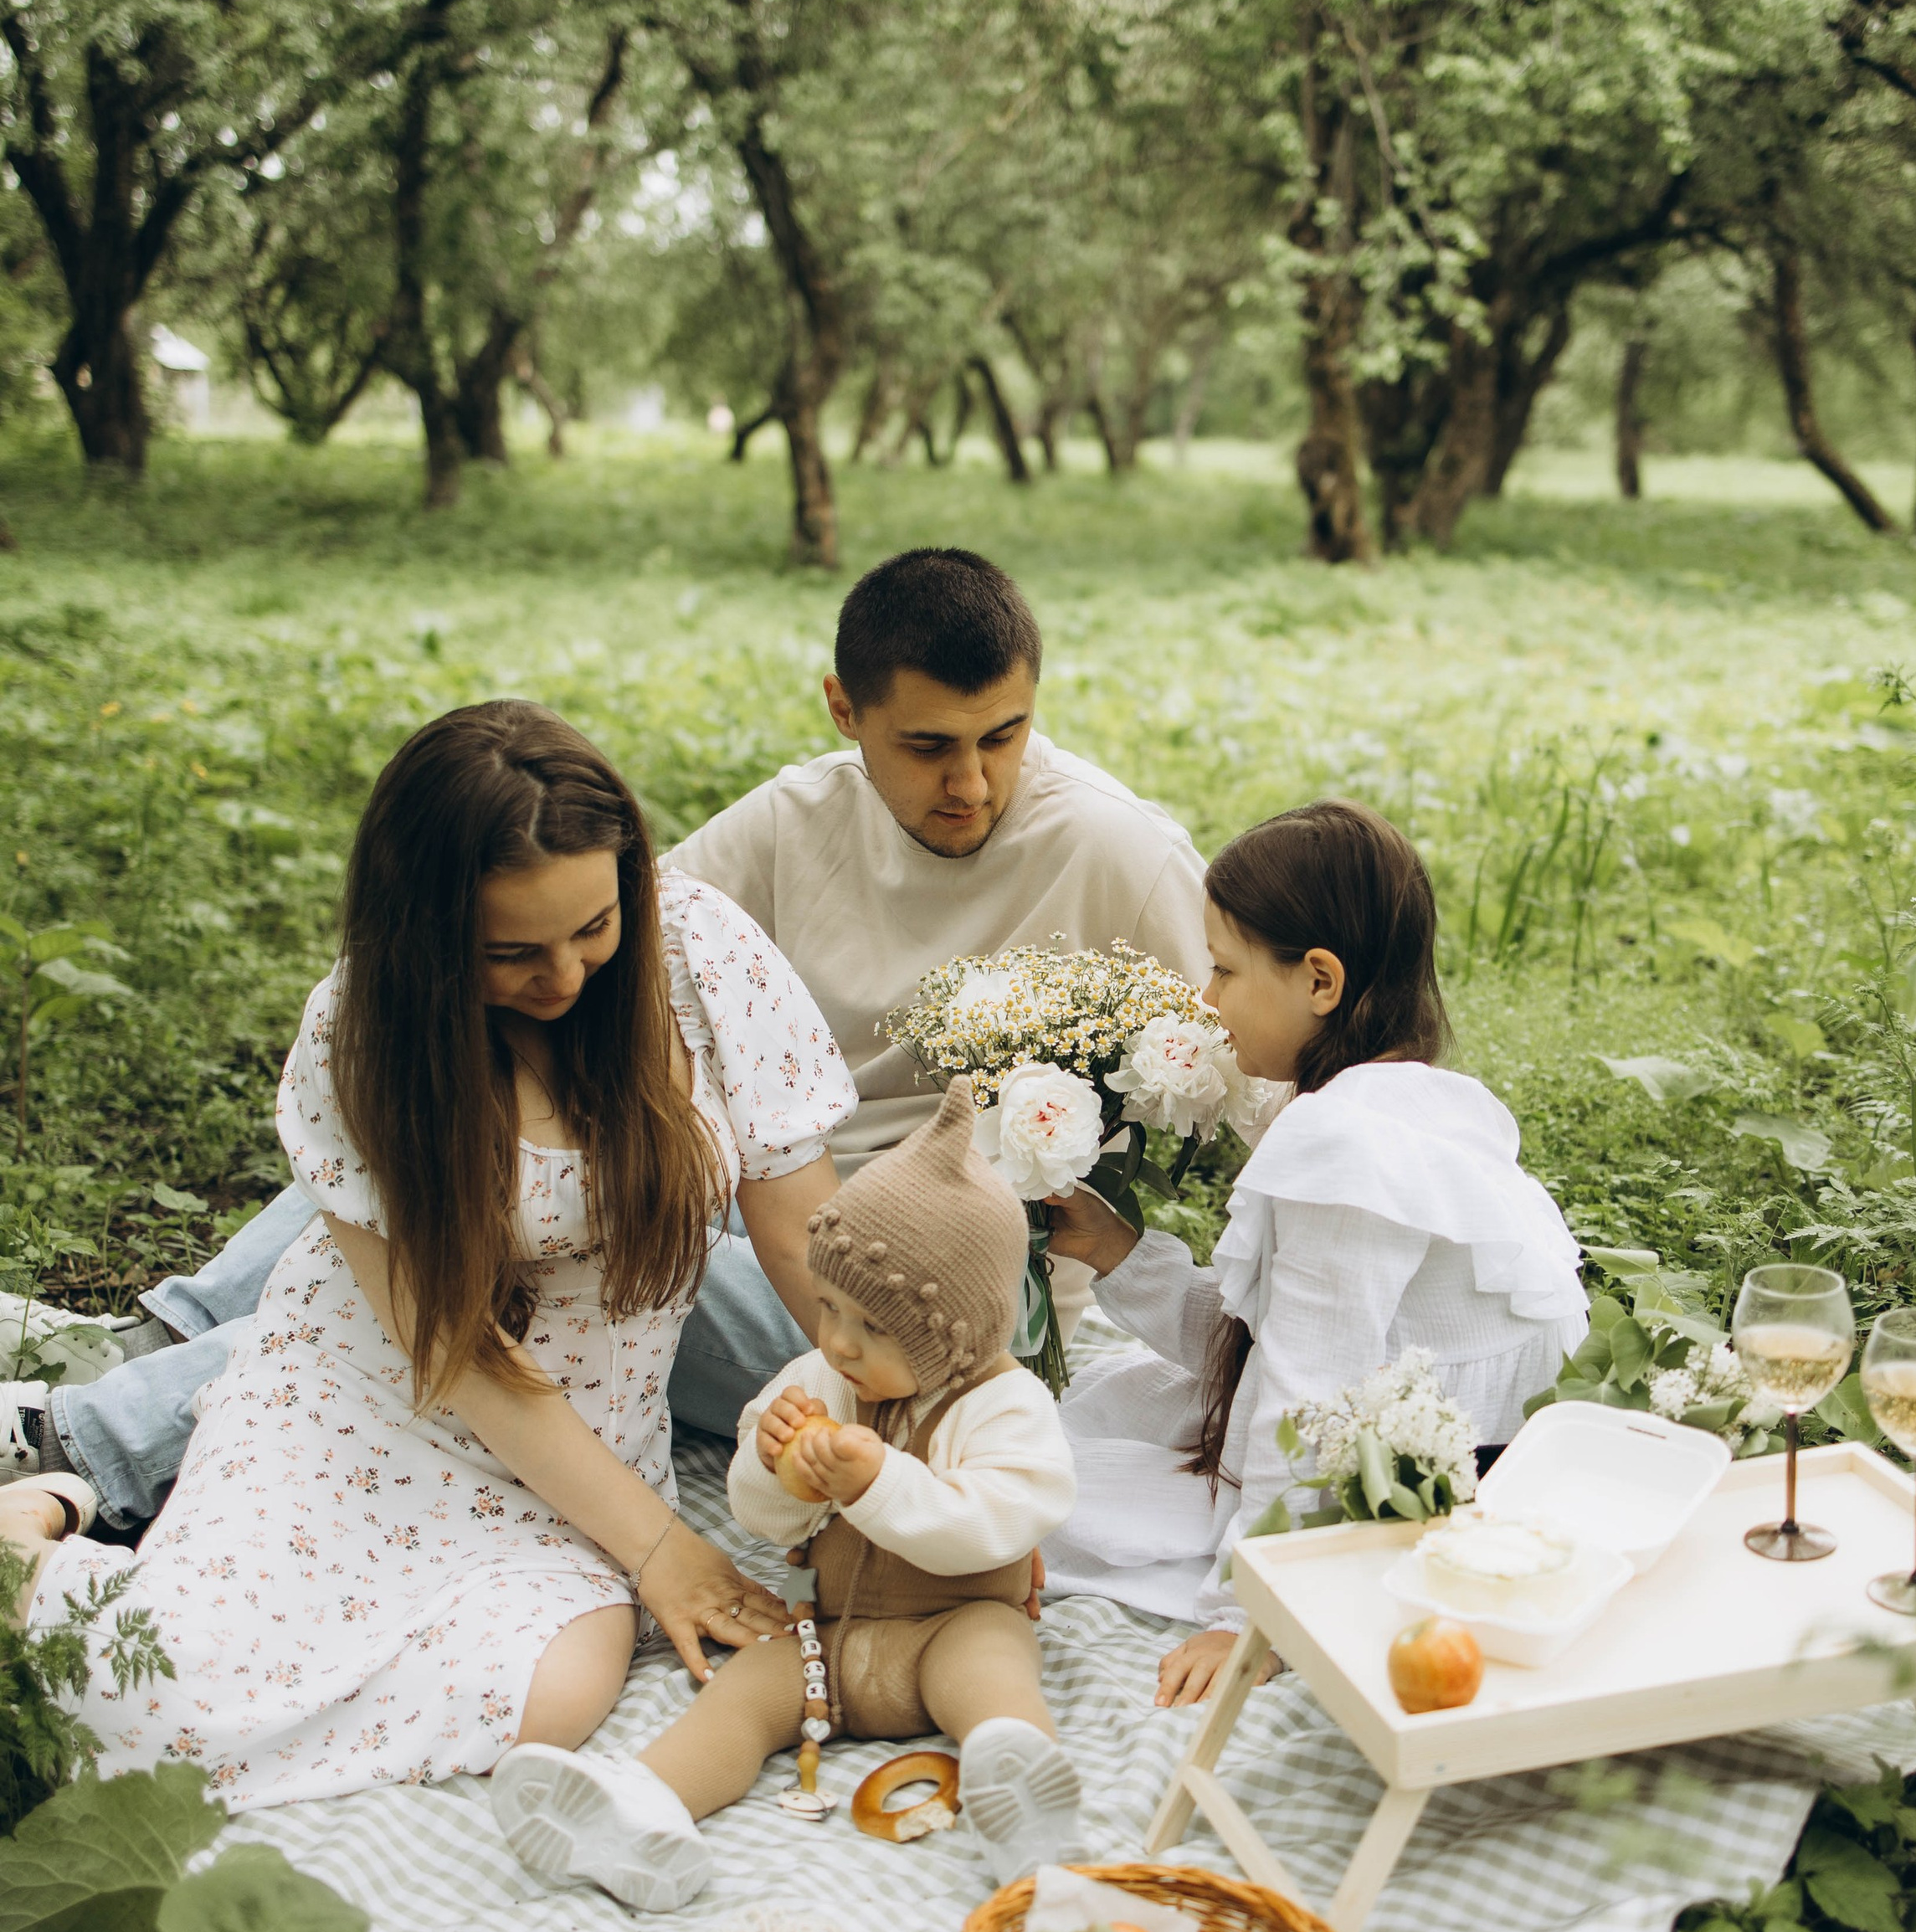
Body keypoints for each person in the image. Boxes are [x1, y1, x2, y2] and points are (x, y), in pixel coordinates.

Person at [3, 548, 1207, 1520]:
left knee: (544, 1282)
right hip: (728, 1188)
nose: (976, 785)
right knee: (454, 1176)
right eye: (930, 746)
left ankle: (91, 1438)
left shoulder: (1117, 849)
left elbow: (1237, 1056)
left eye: (1006, 737)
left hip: (885, 1269)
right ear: (846, 710)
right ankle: (166, 1335)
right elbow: (610, 964)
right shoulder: (795, 820)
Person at [0, 704, 853, 1807]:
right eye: (512, 953)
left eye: (594, 928)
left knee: (550, 1694)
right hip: (371, 1401)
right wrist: (661, 1553)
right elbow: (454, 1349)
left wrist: (917, 1442)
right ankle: (38, 1544)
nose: (565, 977)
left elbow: (805, 1243)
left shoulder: (703, 954)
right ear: (430, 935)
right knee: (158, 1706)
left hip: (588, 1441)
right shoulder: (362, 1032)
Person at [1040, 801, 1591, 1707]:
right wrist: (1119, 1251)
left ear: (1320, 982)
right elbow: (1268, 1340)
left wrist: (1246, 1615)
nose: (1205, 1000)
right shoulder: (1411, 1101)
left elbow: (1306, 1386)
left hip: (1427, 1482)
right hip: (1412, 1430)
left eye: (1222, 969)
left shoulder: (1347, 1144)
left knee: (1035, 1498)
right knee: (1088, 1422)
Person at [491, 1081, 1081, 1908]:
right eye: (829, 1308)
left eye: (870, 1329)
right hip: (828, 1633)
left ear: (958, 1336)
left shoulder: (1004, 1408)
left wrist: (880, 1483)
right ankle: (643, 1809)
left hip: (952, 1622)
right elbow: (761, 1520)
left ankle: (1017, 1792)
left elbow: (992, 1528)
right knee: (740, 1699)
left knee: (992, 1671)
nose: (835, 1341)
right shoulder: (823, 1378)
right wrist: (776, 1470)